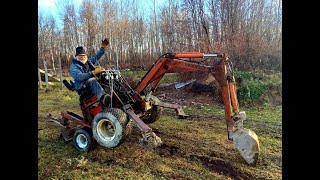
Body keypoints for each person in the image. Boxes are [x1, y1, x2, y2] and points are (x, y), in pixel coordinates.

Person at [70, 38, 111, 107]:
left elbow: (96, 57)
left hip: (89, 82)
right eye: (80, 56)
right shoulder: (73, 66)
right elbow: (79, 77)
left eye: (84, 55)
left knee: (104, 78)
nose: (82, 57)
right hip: (82, 86)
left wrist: (102, 48)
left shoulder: (88, 62)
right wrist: (93, 73)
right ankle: (103, 98)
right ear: (76, 56)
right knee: (92, 80)